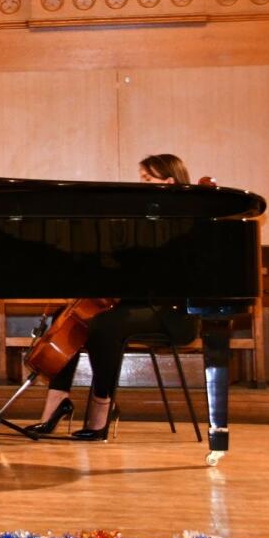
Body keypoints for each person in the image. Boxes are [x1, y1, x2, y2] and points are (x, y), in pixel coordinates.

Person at [29, 154, 200, 440]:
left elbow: (159, 278)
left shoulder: (186, 224)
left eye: (147, 179)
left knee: (104, 325)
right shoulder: (145, 222)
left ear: (169, 182)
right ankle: (56, 404)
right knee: (68, 318)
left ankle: (103, 407)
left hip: (172, 314)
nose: (141, 184)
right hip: (137, 307)